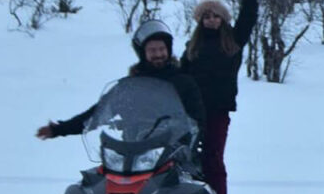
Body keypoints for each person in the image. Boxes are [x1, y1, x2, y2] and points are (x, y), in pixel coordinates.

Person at [36, 19, 206, 143]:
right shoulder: (130, 85)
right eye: (152, 50)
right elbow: (97, 114)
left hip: (173, 151)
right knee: (96, 178)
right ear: (143, 53)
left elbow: (197, 120)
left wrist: (186, 135)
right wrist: (59, 129)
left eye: (162, 49)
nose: (158, 54)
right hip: (133, 148)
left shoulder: (183, 82)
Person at [180, 0, 260, 194]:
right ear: (200, 20)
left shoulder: (233, 41)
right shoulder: (192, 47)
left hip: (217, 112)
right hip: (190, 113)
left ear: (222, 18)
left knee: (213, 161)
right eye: (206, 16)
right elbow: (179, 76)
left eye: (215, 16)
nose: (211, 20)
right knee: (185, 161)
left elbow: (248, 15)